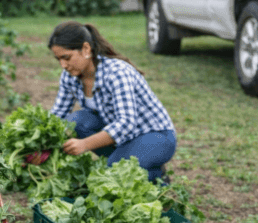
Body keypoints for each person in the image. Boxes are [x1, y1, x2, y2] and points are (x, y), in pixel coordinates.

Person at [47, 21, 177, 183]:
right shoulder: (70, 76)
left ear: (86, 49)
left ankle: (156, 177)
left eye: (66, 57)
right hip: (123, 139)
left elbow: (126, 123)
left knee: (114, 173)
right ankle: (139, 162)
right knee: (76, 121)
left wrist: (85, 144)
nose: (63, 65)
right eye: (58, 59)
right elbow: (57, 115)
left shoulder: (116, 72)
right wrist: (40, 149)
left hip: (155, 136)